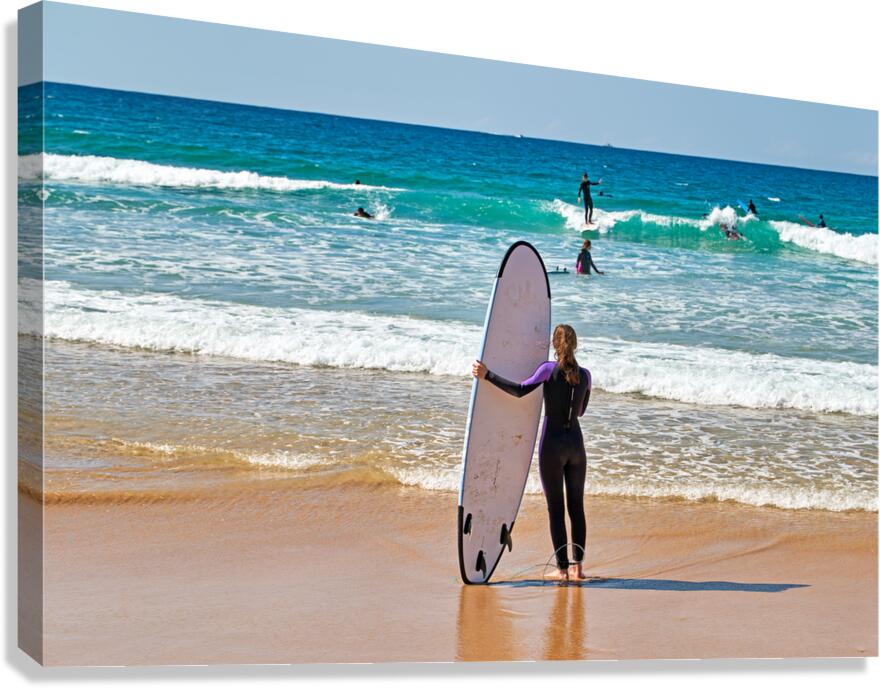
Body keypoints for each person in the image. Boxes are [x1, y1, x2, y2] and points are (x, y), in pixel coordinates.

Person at [472, 324, 592, 582]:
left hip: (552, 446)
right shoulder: (586, 375)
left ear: (554, 345)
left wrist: (487, 375)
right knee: (576, 507)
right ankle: (578, 569)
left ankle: (562, 570)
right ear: (575, 345)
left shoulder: (548, 370)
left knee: (556, 509)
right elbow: (581, 412)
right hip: (576, 446)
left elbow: (519, 390)